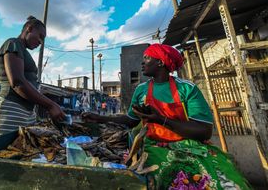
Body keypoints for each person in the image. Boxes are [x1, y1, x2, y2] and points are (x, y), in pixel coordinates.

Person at [82, 44, 251, 190]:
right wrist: (99, 118)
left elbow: (204, 131)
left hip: (190, 146)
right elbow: (131, 120)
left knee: (222, 181)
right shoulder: (141, 90)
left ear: (160, 62)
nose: (142, 62)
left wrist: (160, 120)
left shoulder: (187, 89)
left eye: (147, 58)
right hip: (154, 147)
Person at [0, 16, 65, 136]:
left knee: (23, 150)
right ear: (29, 28)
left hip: (21, 111)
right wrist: (51, 105)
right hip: (10, 110)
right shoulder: (13, 43)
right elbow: (17, 82)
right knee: (7, 153)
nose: (41, 42)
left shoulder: (22, 50)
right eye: (40, 37)